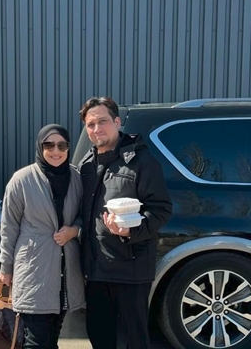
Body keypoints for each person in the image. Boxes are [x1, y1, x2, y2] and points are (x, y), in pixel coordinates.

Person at [77, 97, 172, 349]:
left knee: (134, 339)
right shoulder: (86, 165)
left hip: (130, 268)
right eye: (90, 124)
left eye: (103, 121)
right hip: (95, 270)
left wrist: (132, 230)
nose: (97, 129)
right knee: (99, 334)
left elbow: (161, 209)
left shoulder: (141, 161)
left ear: (117, 122)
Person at [0, 124, 86, 348]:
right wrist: (5, 267)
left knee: (52, 336)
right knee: (36, 341)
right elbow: (9, 227)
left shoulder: (77, 178)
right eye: (49, 145)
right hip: (34, 270)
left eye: (62, 145)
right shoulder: (22, 180)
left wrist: (73, 231)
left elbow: (85, 215)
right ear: (40, 146)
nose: (55, 151)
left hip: (66, 274)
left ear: (68, 147)